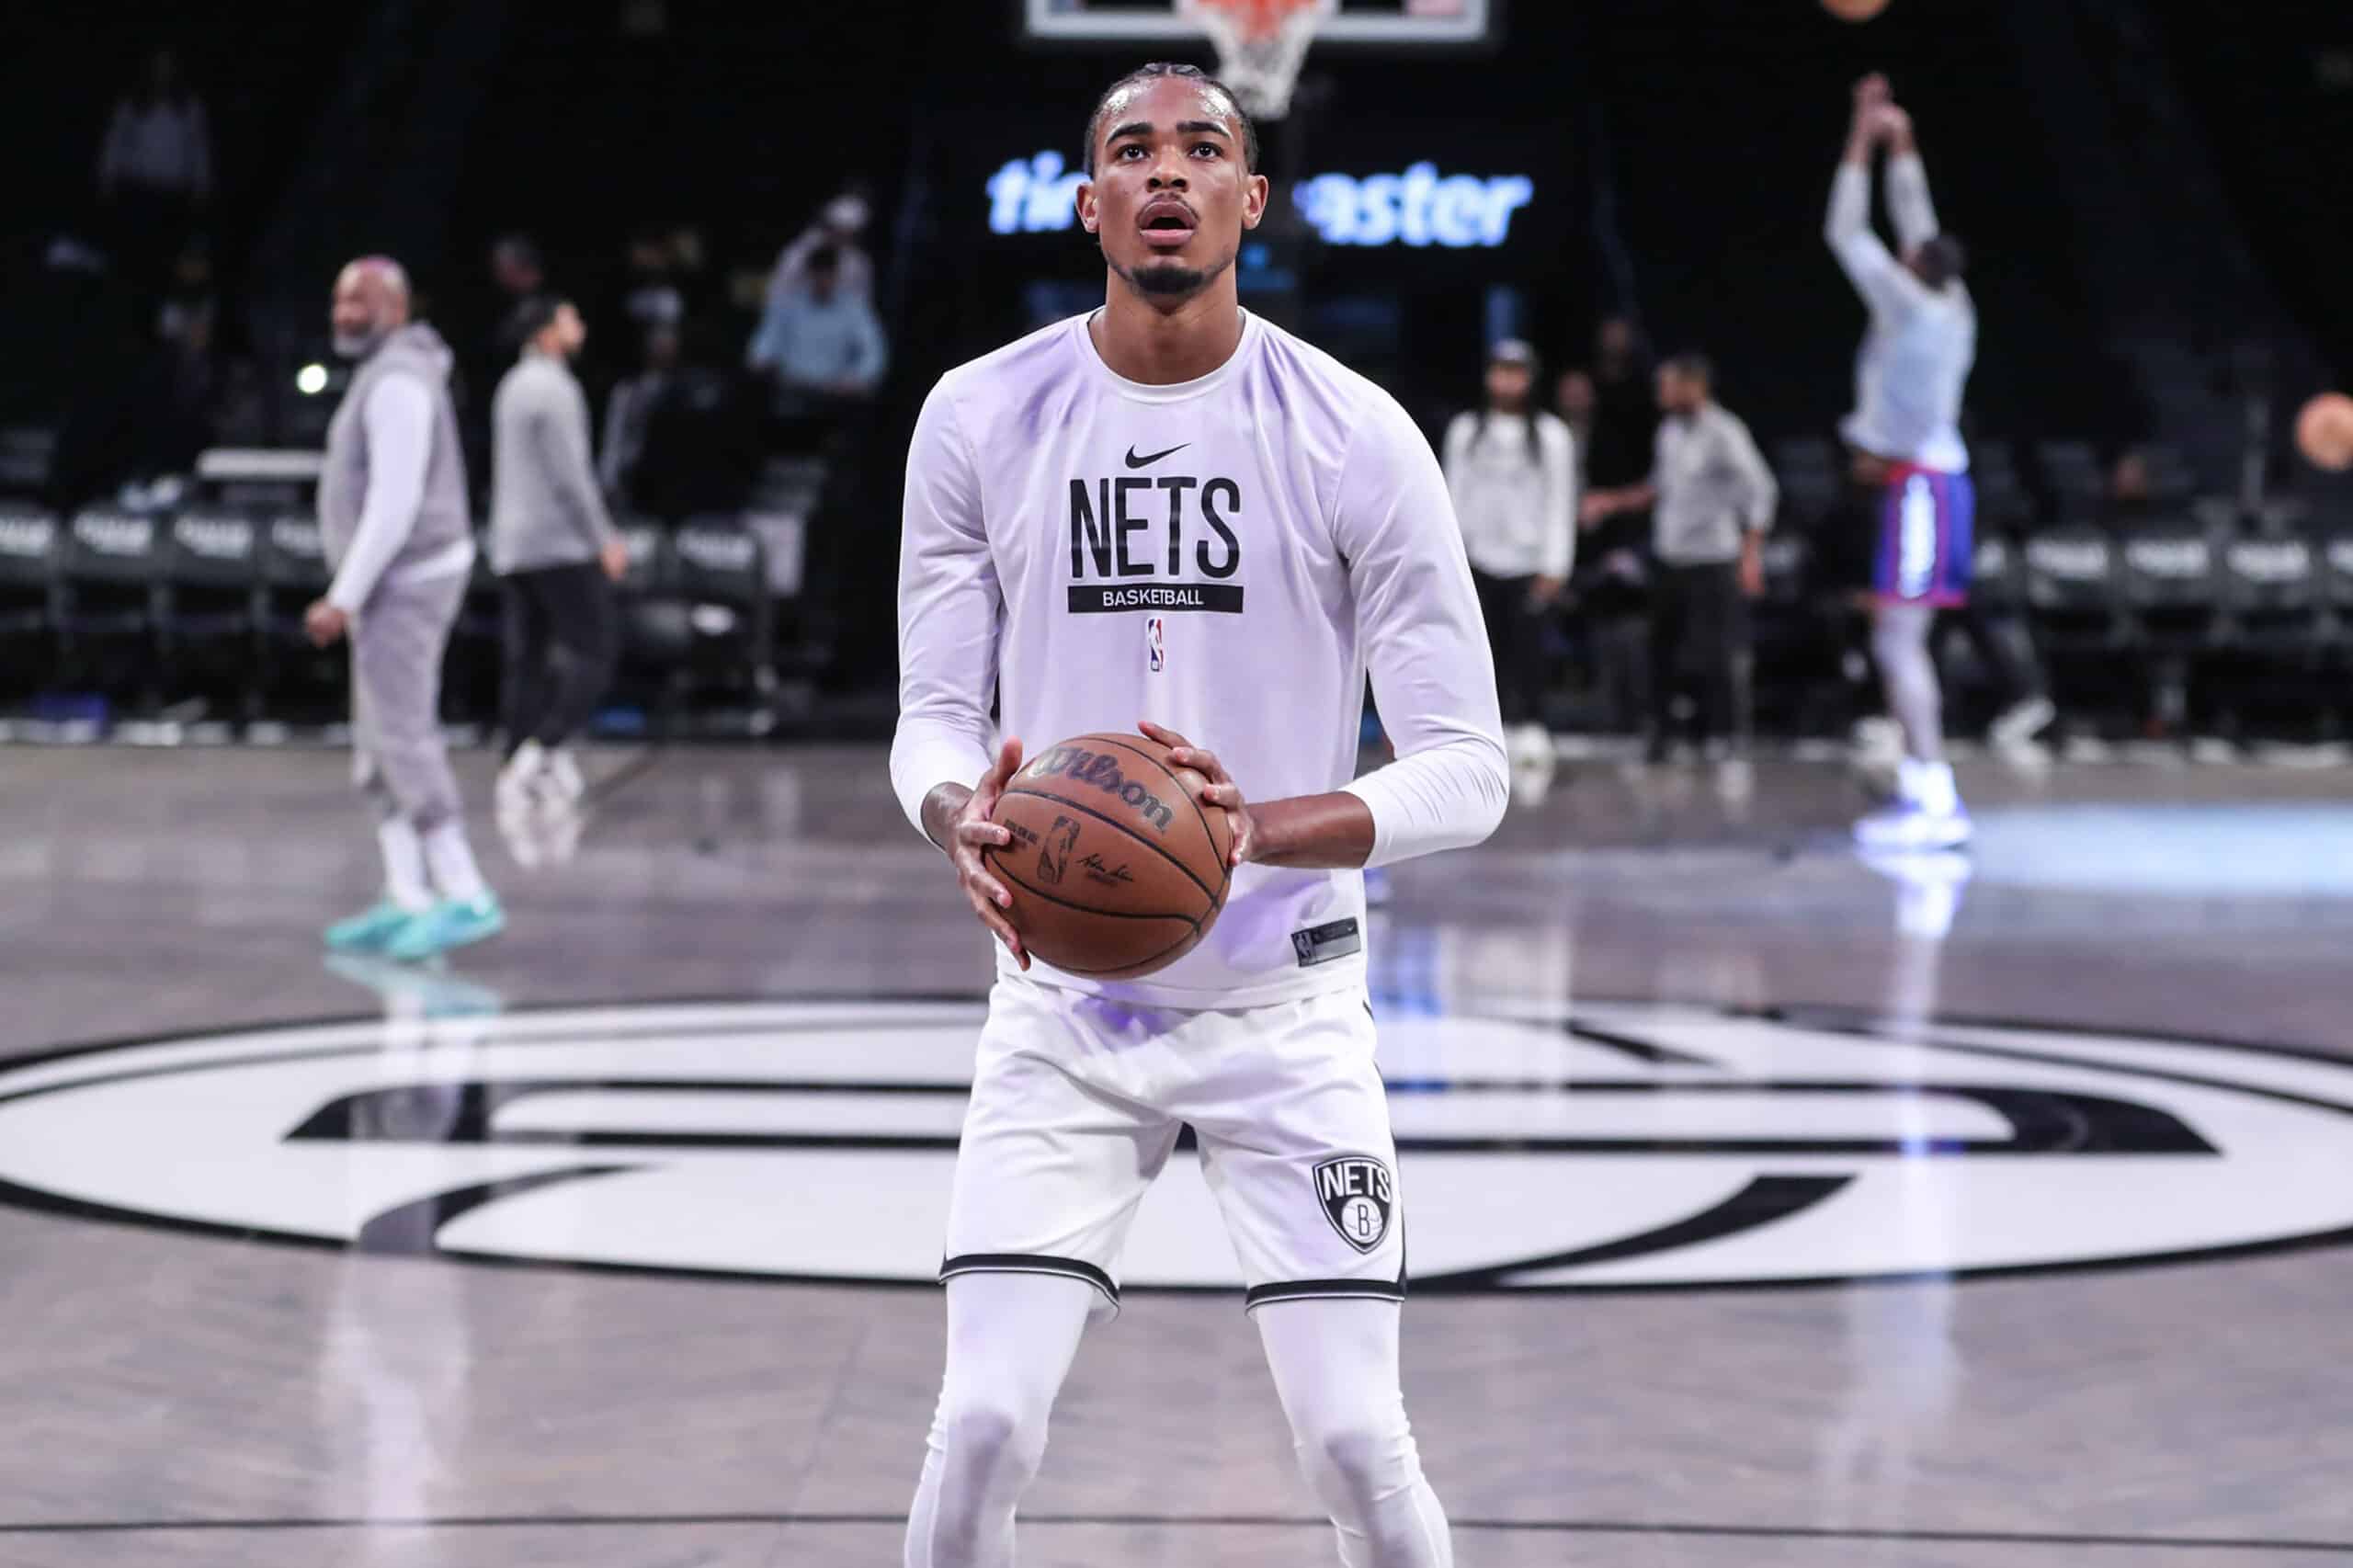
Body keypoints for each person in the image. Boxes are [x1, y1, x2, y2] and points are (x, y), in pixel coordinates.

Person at [892, 61, 1506, 1568]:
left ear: (1253, 198)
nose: (1169, 170)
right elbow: (930, 717)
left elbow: (1468, 766)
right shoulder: (979, 416)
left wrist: (1259, 834)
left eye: (1205, 148)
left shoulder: (1358, 433)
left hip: (1285, 1013)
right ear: (1087, 197)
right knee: (980, 1427)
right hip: (1064, 1010)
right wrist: (957, 808)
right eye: (1132, 149)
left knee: (1361, 1443)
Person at [309, 257, 504, 961]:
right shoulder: (382, 371)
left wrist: (343, 597)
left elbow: (395, 505)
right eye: (338, 300)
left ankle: (464, 891)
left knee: (404, 736)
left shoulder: (397, 381)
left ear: (395, 306)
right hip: (388, 586)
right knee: (376, 744)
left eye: (358, 300)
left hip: (405, 585)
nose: (343, 313)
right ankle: (408, 893)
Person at [1827, 75, 1979, 849]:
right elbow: (1918, 218)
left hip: (1918, 485)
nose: (1908, 244)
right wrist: (1904, 141)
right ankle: (1927, 791)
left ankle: (1935, 800)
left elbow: (1848, 231)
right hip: (1934, 481)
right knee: (1899, 643)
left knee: (1898, 644)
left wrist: (1861, 132)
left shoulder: (1905, 304)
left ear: (1914, 269)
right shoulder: (1953, 302)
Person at [1584, 355, 1777, 763]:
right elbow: (1659, 488)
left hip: (1714, 558)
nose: (1661, 393)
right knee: (1662, 650)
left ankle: (1723, 735)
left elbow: (1760, 491)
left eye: (1668, 385)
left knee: (1717, 652)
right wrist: (1611, 502)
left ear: (1694, 385)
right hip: (1671, 557)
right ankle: (1664, 735)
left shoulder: (1725, 432)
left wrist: (1751, 555)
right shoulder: (1669, 431)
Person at [488, 296, 628, 813]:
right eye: (571, 319)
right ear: (548, 333)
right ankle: (544, 748)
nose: (580, 326)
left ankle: (516, 758)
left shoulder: (512, 384)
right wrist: (603, 539)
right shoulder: (553, 387)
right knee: (596, 650)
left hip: (514, 546)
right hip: (557, 545)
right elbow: (572, 477)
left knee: (528, 658)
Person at [1442, 338, 1574, 766]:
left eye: (1516, 372)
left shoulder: (1552, 436)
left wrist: (1556, 564)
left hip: (1529, 560)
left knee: (1529, 649)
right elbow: (1452, 493)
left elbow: (1560, 500)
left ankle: (1532, 727)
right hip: (1478, 558)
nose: (1507, 380)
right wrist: (1451, 558)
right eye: (1500, 370)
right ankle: (1483, 732)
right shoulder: (1466, 430)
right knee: (1482, 650)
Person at [96, 48, 211, 291]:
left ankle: (161, 294)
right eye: (158, 66)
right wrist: (107, 175)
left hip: (173, 186)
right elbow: (115, 140)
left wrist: (202, 183)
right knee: (137, 245)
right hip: (139, 184)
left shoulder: (189, 105)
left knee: (168, 249)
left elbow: (199, 146)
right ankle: (130, 290)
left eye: (168, 66)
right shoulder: (134, 101)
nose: (163, 72)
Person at [744, 245, 888, 415]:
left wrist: (855, 379)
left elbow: (874, 353)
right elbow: (767, 341)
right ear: (809, 274)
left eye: (828, 275)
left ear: (836, 276)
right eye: (818, 275)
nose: (823, 281)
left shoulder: (854, 309)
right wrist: (760, 358)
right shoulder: (789, 304)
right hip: (792, 391)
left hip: (834, 396)